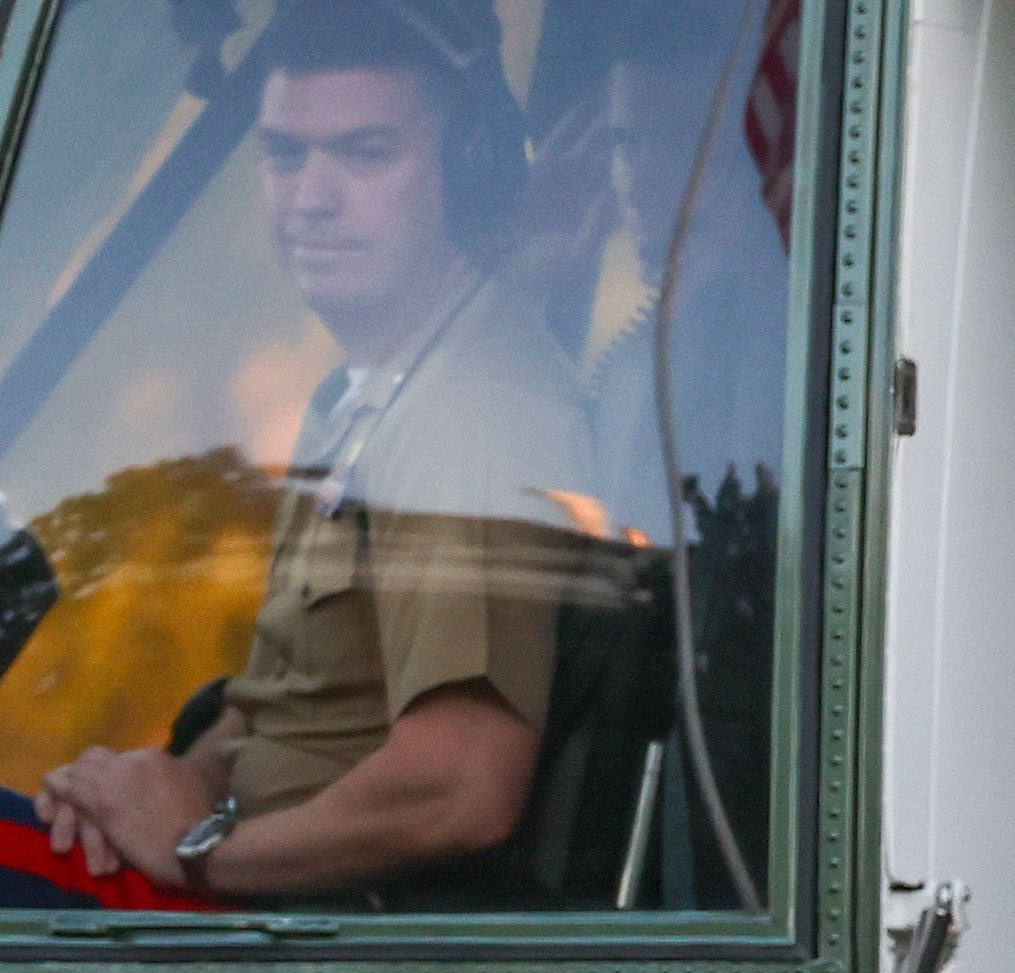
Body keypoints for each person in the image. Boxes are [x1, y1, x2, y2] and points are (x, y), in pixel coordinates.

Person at [33, 2, 596, 902]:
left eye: (366, 154)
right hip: (254, 896)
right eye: (284, 155)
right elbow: (282, 707)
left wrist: (196, 849)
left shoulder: (469, 414)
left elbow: (461, 786)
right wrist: (134, 792)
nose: (311, 200)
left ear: (470, 171)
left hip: (311, 928)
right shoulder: (368, 392)